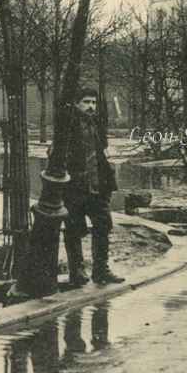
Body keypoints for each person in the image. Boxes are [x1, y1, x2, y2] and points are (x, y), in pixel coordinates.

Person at [63, 87, 123, 285]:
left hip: (97, 186)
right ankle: (77, 272)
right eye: (86, 102)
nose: (91, 106)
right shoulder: (69, 124)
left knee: (103, 225)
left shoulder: (96, 123)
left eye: (94, 103)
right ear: (77, 103)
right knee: (74, 229)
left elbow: (101, 154)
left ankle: (101, 270)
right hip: (75, 187)